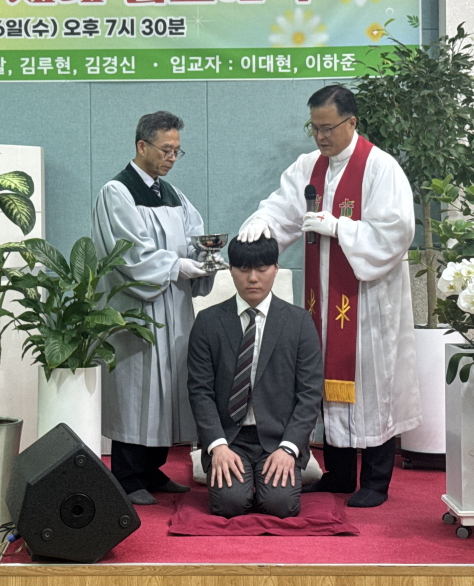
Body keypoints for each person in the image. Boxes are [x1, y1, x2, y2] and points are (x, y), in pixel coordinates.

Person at [237, 84, 420, 507]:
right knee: (324, 380)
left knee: (372, 386)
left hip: (369, 302)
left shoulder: (380, 168)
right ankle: (339, 474)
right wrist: (260, 223)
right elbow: (281, 208)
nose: (321, 136)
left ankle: (375, 482)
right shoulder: (309, 166)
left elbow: (397, 231)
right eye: (315, 128)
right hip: (322, 300)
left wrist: (341, 228)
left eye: (328, 128)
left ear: (351, 122)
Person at [92, 110, 215, 506]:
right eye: (166, 150)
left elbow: (195, 235)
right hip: (138, 310)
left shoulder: (173, 194)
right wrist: (178, 266)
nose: (172, 158)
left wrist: (204, 257)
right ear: (142, 145)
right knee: (138, 391)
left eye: (177, 151)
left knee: (168, 388)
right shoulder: (117, 192)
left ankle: (152, 469)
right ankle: (127, 476)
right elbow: (130, 254)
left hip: (174, 308)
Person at [187, 236, 323, 518]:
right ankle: (241, 478)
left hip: (278, 438)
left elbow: (310, 393)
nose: (252, 278)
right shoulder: (208, 322)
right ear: (230, 270)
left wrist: (289, 448)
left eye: (262, 269)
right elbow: (200, 391)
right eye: (243, 269)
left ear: (276, 268)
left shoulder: (299, 322)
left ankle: (268, 480)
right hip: (230, 438)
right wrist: (217, 445)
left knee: (280, 505)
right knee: (229, 505)